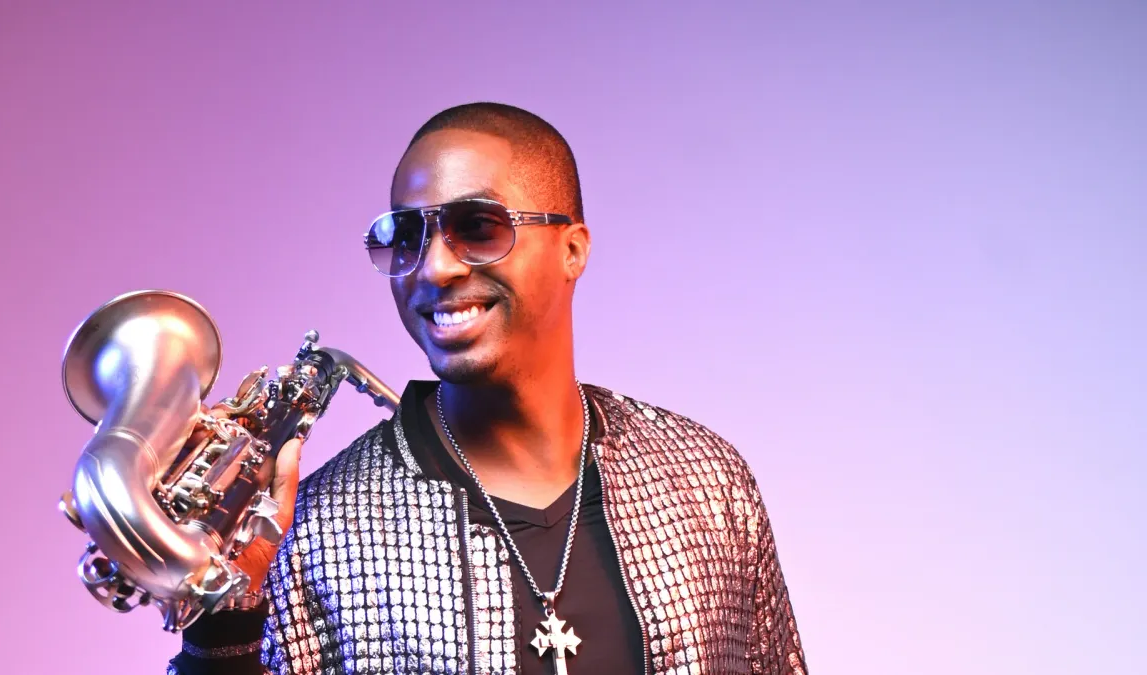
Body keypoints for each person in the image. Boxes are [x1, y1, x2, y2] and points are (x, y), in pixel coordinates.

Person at [167, 102, 807, 675]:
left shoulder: (707, 481)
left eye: (477, 226)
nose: (435, 267)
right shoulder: (311, 531)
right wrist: (222, 623)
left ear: (572, 250)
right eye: (407, 237)